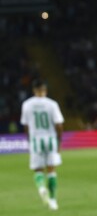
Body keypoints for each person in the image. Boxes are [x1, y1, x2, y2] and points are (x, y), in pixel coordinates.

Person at [20, 78, 64, 211]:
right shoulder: (52, 104)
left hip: (36, 140)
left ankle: (41, 187)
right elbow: (59, 125)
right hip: (50, 140)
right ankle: (53, 201)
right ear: (45, 90)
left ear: (34, 90)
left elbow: (26, 126)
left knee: (38, 170)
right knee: (51, 170)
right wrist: (59, 141)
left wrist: (29, 140)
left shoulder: (27, 104)